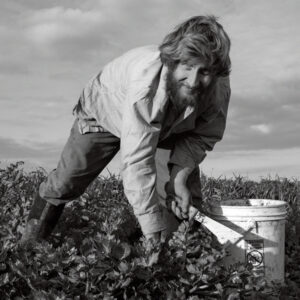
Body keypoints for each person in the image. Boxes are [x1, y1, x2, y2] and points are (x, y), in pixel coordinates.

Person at [21, 15, 231, 244]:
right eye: (188, 67)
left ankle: (169, 255)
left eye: (205, 72)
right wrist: (150, 224)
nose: (193, 81)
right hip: (105, 113)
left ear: (217, 72)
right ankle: (30, 248)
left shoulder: (218, 91)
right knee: (65, 182)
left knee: (183, 197)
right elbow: (138, 159)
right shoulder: (145, 86)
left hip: (169, 127)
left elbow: (201, 136)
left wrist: (177, 179)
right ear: (172, 62)